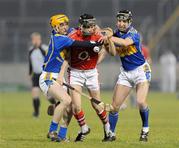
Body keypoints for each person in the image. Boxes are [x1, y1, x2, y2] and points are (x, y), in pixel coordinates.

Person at [39, 14, 104, 142]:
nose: (65, 27)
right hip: (49, 76)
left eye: (65, 24)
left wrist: (100, 31)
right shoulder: (59, 39)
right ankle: (52, 131)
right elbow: (80, 43)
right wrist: (97, 43)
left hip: (58, 77)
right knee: (66, 100)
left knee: (69, 108)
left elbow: (81, 29)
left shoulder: (64, 33)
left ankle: (62, 135)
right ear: (55, 27)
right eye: (61, 25)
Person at [67, 13, 116, 142]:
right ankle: (84, 128)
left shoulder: (98, 36)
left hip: (91, 73)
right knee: (76, 106)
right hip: (75, 73)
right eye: (87, 26)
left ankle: (107, 129)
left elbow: (112, 52)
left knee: (97, 105)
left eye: (92, 26)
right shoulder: (72, 36)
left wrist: (108, 39)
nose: (90, 28)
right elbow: (65, 53)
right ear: (81, 26)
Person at [108, 10, 151, 142]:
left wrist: (108, 37)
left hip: (141, 71)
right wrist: (106, 39)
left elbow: (125, 43)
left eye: (124, 21)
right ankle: (112, 134)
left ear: (129, 22)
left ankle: (145, 130)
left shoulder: (134, 33)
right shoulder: (114, 34)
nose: (121, 24)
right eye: (119, 21)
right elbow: (112, 53)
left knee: (140, 101)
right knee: (114, 107)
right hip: (126, 73)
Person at [28, 32, 48, 117]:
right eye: (34, 40)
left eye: (37, 39)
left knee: (48, 95)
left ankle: (56, 106)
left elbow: (47, 57)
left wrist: (39, 47)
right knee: (35, 93)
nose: (35, 41)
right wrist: (30, 73)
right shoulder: (31, 50)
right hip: (35, 75)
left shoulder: (44, 48)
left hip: (44, 74)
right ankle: (36, 113)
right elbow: (30, 63)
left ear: (40, 40)